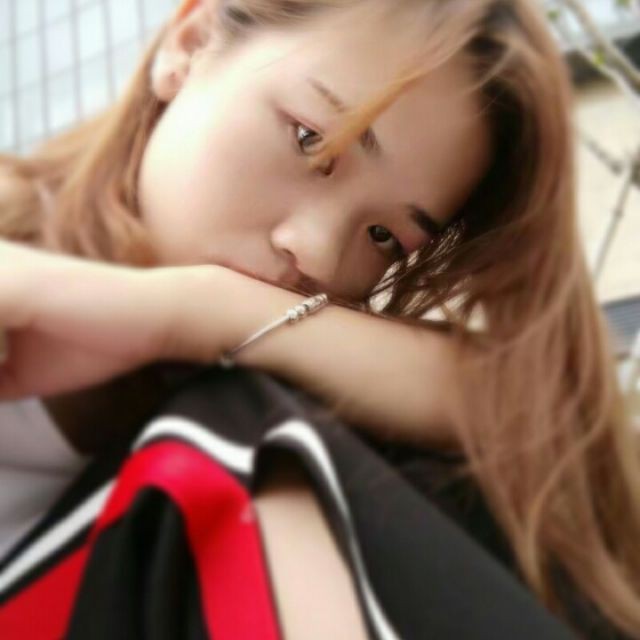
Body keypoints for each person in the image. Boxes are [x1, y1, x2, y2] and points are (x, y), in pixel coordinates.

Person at [0, 0, 638, 637]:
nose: (318, 254)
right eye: (311, 138)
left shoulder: (261, 380)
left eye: (385, 237)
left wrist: (198, 309)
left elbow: (538, 408)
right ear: (190, 44)